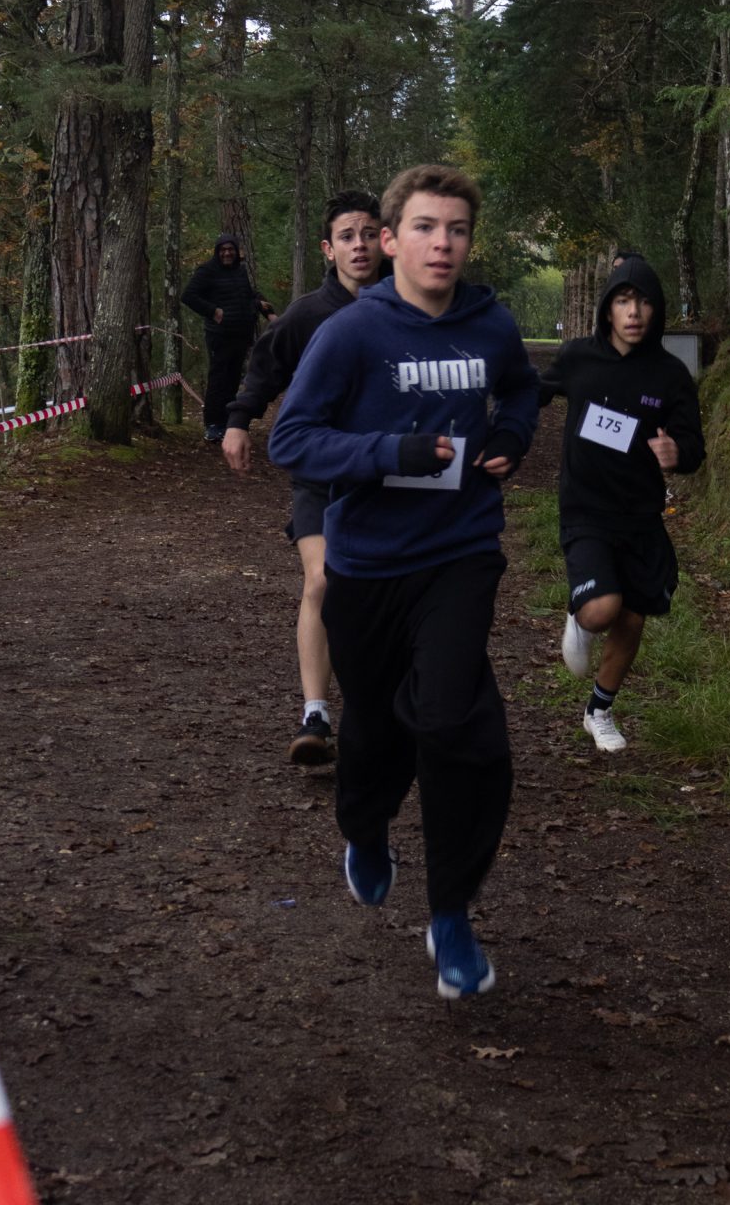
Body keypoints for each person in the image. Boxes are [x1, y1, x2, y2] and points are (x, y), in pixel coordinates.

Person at [268, 164, 539, 999]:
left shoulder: (491, 324)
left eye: (456, 229)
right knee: (379, 730)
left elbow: (522, 391)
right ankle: (366, 827)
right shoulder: (352, 333)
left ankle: (451, 912)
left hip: (459, 552)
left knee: (457, 726)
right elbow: (293, 440)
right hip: (369, 565)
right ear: (390, 241)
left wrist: (512, 437)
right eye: (424, 227)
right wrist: (392, 453)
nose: (442, 243)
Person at [222, 192, 384, 766]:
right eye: (347, 236)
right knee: (322, 580)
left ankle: (383, 705)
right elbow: (265, 368)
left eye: (369, 233)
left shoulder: (408, 307)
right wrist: (238, 421)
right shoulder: (308, 313)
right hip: (321, 473)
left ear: (387, 241)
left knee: (380, 593)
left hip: (388, 474)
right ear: (328, 249)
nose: (359, 245)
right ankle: (316, 712)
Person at [540, 254, 705, 753]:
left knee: (632, 618)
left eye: (644, 303)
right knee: (601, 610)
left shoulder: (670, 375)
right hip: (585, 509)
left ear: (658, 311)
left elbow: (693, 447)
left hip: (640, 516)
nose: (634, 312)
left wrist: (677, 454)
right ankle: (580, 615)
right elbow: (532, 392)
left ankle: (599, 711)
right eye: (623, 301)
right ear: (607, 309)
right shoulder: (579, 358)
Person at [181, 234, 276, 441]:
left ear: (236, 251)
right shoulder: (207, 271)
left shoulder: (239, 271)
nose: (227, 253)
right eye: (223, 250)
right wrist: (213, 311)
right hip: (219, 335)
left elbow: (250, 296)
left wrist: (269, 313)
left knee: (233, 380)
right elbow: (188, 296)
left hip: (241, 335)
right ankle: (212, 424)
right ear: (217, 252)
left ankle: (226, 422)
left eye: (230, 249)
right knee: (218, 379)